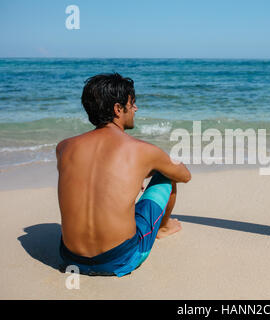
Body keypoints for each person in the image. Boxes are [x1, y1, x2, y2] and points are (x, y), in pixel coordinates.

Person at [56, 73, 191, 277]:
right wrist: (152, 167)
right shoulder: (141, 150)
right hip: (120, 259)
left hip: (70, 259)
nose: (136, 109)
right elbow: (184, 175)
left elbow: (97, 173)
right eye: (133, 103)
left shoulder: (64, 147)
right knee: (166, 176)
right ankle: (163, 228)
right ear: (118, 109)